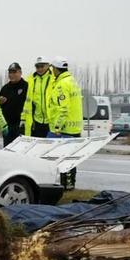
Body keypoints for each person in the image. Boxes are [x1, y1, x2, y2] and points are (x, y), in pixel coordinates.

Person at [47, 56, 84, 189]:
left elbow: (63, 108)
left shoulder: (62, 84)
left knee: (63, 160)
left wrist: (57, 126)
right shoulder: (72, 81)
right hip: (75, 128)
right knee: (72, 159)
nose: (51, 71)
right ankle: (70, 184)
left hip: (64, 128)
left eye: (52, 68)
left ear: (56, 69)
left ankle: (65, 185)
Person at [19, 56, 55, 137]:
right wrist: (23, 118)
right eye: (37, 66)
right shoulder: (31, 79)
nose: (39, 69)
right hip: (36, 121)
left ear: (48, 65)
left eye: (41, 66)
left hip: (51, 120)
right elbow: (27, 101)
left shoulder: (54, 78)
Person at [0, 62, 28, 147]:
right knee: (8, 150)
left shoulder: (26, 86)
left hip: (21, 125)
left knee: (21, 150)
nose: (12, 74)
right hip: (7, 126)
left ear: (20, 72)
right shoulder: (5, 88)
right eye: (10, 72)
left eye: (14, 72)